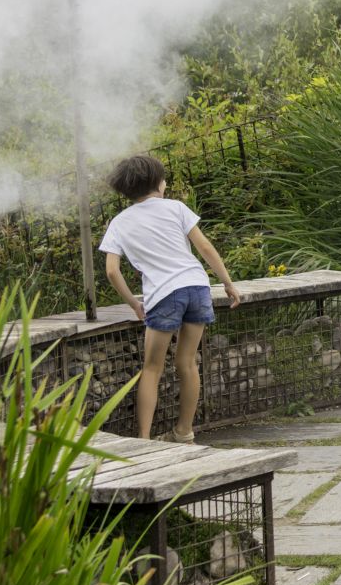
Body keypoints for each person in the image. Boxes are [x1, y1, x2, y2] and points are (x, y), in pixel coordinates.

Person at [100, 153, 243, 443]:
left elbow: (112, 271)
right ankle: (184, 433)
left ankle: (144, 439)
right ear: (157, 184)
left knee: (152, 368)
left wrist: (134, 303)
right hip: (197, 287)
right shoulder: (176, 208)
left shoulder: (119, 222)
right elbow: (204, 247)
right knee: (187, 364)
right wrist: (228, 284)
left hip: (163, 294)